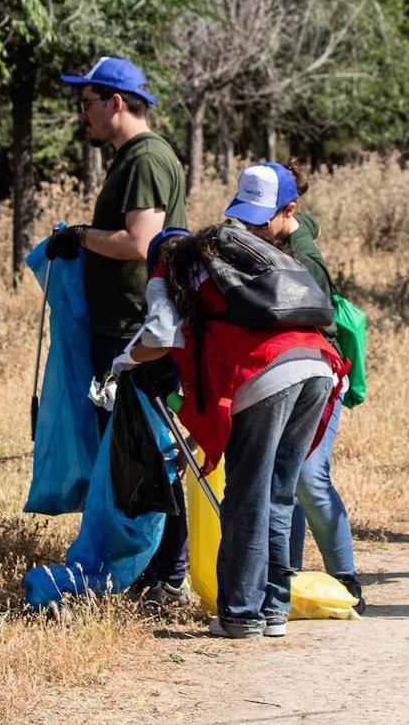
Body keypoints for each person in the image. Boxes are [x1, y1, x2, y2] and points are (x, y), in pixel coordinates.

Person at [112, 227, 345, 638]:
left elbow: (160, 336)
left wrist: (124, 360)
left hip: (269, 372)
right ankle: (274, 610)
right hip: (318, 365)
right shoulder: (228, 265)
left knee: (247, 493)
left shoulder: (168, 274)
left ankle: (240, 614)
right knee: (278, 493)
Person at [50, 57, 191, 606]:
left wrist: (81, 235)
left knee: (150, 450)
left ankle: (170, 574)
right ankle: (147, 569)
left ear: (115, 102)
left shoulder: (147, 157)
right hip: (119, 326)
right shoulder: (131, 157)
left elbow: (140, 241)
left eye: (86, 103)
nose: (81, 114)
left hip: (138, 330)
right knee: (128, 453)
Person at [223, 161, 365, 612]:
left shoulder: (304, 260)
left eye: (257, 219)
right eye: (241, 216)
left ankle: (346, 580)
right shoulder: (267, 238)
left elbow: (311, 325)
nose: (247, 227)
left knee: (304, 478)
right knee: (284, 483)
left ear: (289, 210)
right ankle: (287, 580)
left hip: (316, 376)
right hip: (283, 374)